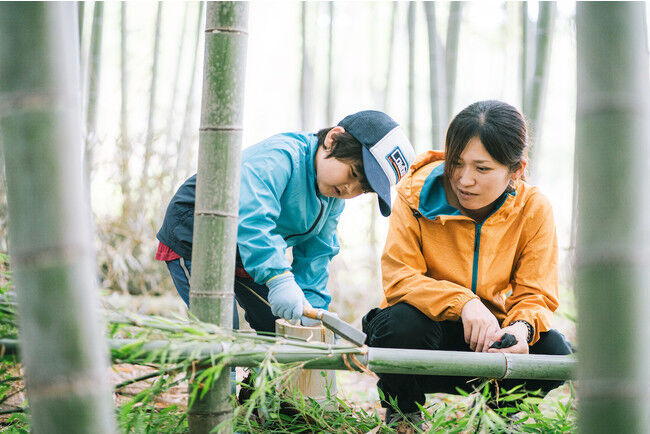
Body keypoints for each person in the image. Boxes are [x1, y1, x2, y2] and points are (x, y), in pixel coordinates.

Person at [362, 100, 572, 425]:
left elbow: (536, 293)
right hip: (422, 338)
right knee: (397, 325)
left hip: (489, 347)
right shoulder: (412, 195)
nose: (464, 180)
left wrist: (521, 328)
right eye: (456, 162)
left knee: (554, 349)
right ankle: (403, 413)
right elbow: (400, 278)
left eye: (482, 168)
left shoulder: (534, 208)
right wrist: (464, 303)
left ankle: (499, 416)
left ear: (516, 170)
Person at [156, 110, 416, 334]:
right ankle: (218, 389)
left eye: (363, 188)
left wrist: (312, 310)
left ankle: (258, 389)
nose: (350, 188)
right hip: (196, 235)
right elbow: (254, 216)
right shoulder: (282, 157)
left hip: (245, 252)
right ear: (333, 139)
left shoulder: (333, 200)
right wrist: (278, 277)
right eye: (354, 173)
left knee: (277, 322)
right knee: (221, 328)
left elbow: (318, 253)